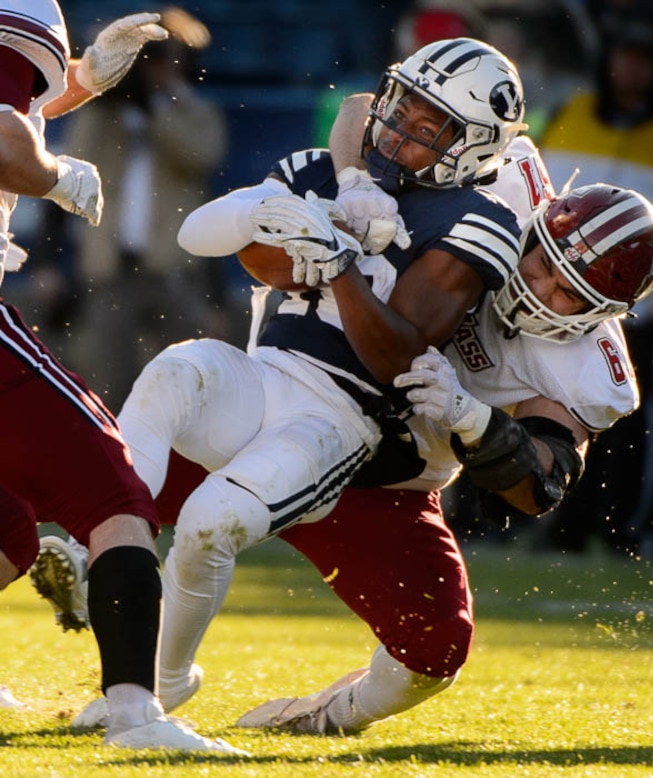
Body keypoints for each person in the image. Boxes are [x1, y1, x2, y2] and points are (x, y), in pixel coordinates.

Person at [50, 174, 653, 736]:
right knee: (81, 483)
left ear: (606, 317)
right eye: (542, 266)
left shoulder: (591, 369)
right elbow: (372, 113)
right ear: (535, 228)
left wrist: (472, 420)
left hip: (391, 480)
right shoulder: (508, 181)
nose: (540, 291)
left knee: (437, 649)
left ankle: (329, 716)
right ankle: (90, 570)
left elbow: (541, 484)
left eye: (568, 296)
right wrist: (356, 178)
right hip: (280, 395)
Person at [34, 37, 524, 727]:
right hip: (264, 375)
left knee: (211, 524)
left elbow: (396, 354)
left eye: (425, 127)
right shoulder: (324, 167)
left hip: (342, 420)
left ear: (470, 146)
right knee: (176, 367)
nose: (397, 131)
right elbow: (208, 239)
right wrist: (293, 215)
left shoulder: (480, 222)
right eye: (401, 108)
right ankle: (113, 562)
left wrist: (337, 262)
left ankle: (165, 679)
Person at [0, 1, 241, 754]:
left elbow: (14, 105)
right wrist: (52, 176)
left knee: (8, 524)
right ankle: (136, 711)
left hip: (159, 278)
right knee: (114, 492)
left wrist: (77, 83)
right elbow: (7, 136)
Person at [535, 3, 653, 555]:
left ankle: (628, 524)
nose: (634, 72)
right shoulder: (571, 112)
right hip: (553, 292)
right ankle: (565, 523)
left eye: (646, 61)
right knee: (557, 405)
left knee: (631, 415)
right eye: (626, 58)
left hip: (637, 298)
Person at [28, 5, 230, 409]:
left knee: (187, 391)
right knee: (106, 385)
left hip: (175, 270)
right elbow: (64, 178)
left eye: (165, 55)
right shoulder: (103, 114)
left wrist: (158, 104)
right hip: (109, 272)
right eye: (148, 59)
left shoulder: (195, 112)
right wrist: (47, 262)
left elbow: (202, 158)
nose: (155, 66)